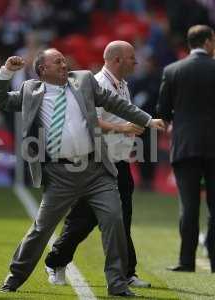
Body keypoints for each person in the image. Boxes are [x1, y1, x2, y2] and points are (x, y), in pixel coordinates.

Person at [0, 48, 165, 297]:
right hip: (59, 175)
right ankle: (15, 276)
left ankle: (117, 283)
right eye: (57, 61)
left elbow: (115, 102)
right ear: (43, 70)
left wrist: (147, 120)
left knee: (114, 220)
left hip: (95, 170)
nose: (64, 64)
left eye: (64, 59)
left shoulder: (82, 81)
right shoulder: (31, 91)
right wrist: (6, 71)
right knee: (41, 229)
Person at [44, 41, 151, 288]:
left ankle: (126, 272)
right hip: (98, 163)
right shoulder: (98, 84)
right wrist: (123, 128)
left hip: (119, 162)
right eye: (131, 57)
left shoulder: (122, 84)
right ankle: (55, 260)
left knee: (122, 218)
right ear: (116, 60)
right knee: (83, 219)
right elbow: (89, 120)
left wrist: (131, 130)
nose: (136, 61)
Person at [158, 24, 215, 273]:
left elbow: (162, 110)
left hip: (185, 145)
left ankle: (186, 261)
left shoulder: (172, 70)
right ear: (208, 41)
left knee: (189, 206)